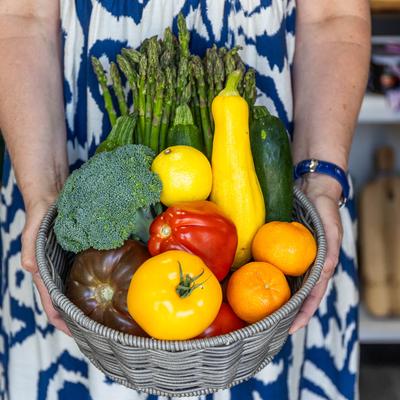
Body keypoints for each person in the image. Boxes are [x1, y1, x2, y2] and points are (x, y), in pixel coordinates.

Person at [0, 1, 370, 399]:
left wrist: (321, 183)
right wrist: (44, 191)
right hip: (60, 132)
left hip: (271, 125)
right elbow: (20, 18)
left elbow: (336, 17)